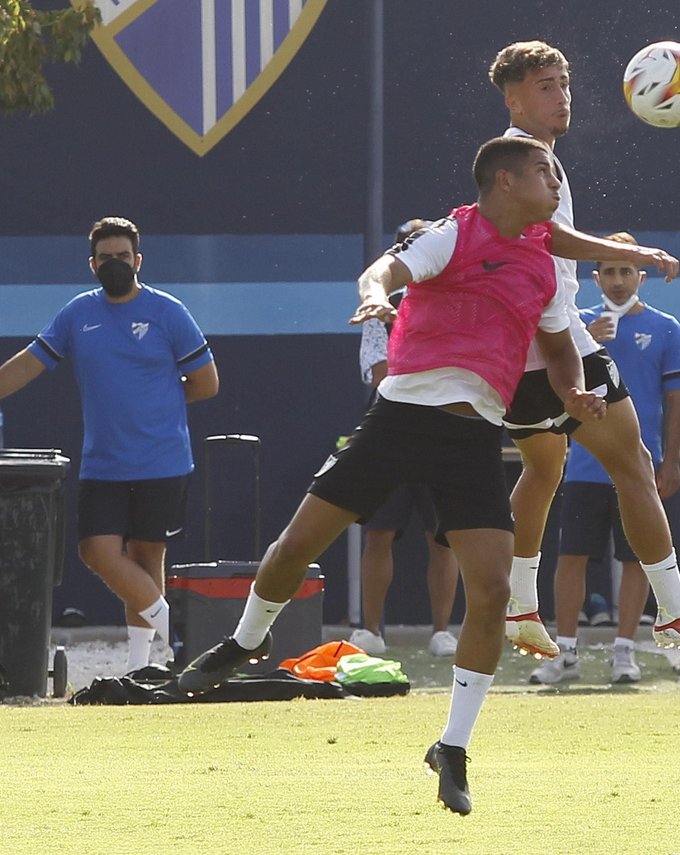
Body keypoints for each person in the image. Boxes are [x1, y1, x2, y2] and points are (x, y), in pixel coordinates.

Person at [176, 138, 606, 817]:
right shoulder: (453, 233)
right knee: (294, 549)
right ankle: (246, 640)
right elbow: (382, 270)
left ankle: (452, 747)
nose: (557, 184)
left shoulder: (545, 268)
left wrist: (573, 389)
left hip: (472, 437)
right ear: (504, 180)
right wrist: (378, 298)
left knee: (492, 591)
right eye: (544, 173)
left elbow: (557, 350)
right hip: (397, 420)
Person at [490, 40, 680, 656]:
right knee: (635, 466)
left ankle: (519, 606)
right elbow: (550, 238)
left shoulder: (526, 157)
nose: (562, 96)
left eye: (565, 84)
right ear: (513, 100)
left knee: (542, 471)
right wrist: (631, 251)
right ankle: (674, 610)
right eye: (546, 86)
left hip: (518, 350)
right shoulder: (523, 159)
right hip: (558, 340)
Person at [0, 217, 218, 674]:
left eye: (122, 256)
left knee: (146, 560)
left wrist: (152, 401)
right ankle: (183, 636)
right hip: (104, 463)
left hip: (163, 461)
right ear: (92, 264)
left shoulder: (168, 312)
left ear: (138, 260)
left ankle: (140, 667)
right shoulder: (77, 314)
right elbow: (26, 365)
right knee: (97, 552)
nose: (114, 263)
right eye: (105, 257)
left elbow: (206, 383)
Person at [531, 233, 680, 685]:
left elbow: (677, 400)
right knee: (571, 556)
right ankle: (565, 653)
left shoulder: (666, 327)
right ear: (595, 277)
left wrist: (671, 461)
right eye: (609, 271)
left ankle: (625, 652)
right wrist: (588, 341)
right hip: (584, 466)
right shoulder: (574, 325)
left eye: (625, 270)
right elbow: (551, 383)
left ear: (641, 276)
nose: (618, 280)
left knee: (636, 558)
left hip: (640, 469)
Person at [351, 218, 461, 658]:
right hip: (390, 433)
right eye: (406, 248)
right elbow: (380, 373)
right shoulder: (380, 305)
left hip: (442, 434)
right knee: (378, 534)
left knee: (443, 538)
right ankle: (371, 632)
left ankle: (442, 633)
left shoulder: (455, 302)